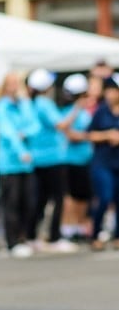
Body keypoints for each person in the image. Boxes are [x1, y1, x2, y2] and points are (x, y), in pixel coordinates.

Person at [0, 71, 40, 257]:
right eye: (10, 83)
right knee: (11, 203)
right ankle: (11, 242)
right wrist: (22, 151)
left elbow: (35, 126)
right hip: (9, 163)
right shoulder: (0, 106)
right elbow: (8, 132)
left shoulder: (24, 105)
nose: (13, 86)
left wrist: (25, 134)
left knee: (29, 202)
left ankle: (22, 237)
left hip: (26, 164)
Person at [24, 68, 75, 252]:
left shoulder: (33, 103)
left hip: (39, 158)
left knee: (41, 199)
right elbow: (61, 124)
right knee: (57, 197)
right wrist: (78, 108)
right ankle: (54, 237)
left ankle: (31, 236)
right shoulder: (44, 103)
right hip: (52, 158)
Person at [58, 73, 94, 242]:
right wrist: (92, 136)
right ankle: (68, 227)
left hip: (85, 159)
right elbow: (68, 133)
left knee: (83, 195)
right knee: (70, 196)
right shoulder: (66, 111)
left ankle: (79, 226)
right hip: (70, 159)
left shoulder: (87, 112)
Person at [87, 73, 119, 250]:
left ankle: (117, 236)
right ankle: (96, 233)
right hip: (102, 161)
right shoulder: (101, 111)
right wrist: (107, 135)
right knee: (105, 197)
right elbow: (90, 134)